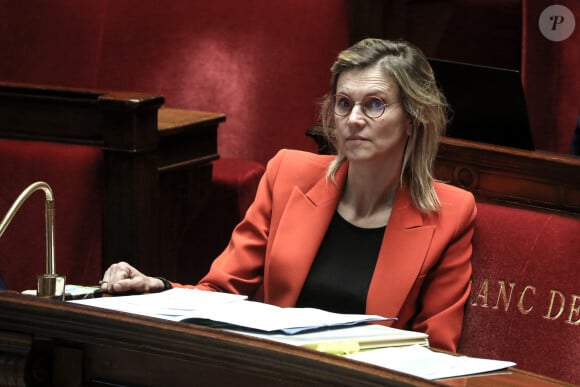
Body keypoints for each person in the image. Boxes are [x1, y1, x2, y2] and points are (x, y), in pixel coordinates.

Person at [100, 38, 477, 352]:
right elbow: (219, 291)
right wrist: (158, 288)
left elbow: (438, 350)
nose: (354, 119)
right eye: (344, 104)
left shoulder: (451, 213)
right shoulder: (288, 174)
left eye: (374, 104)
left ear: (413, 118)